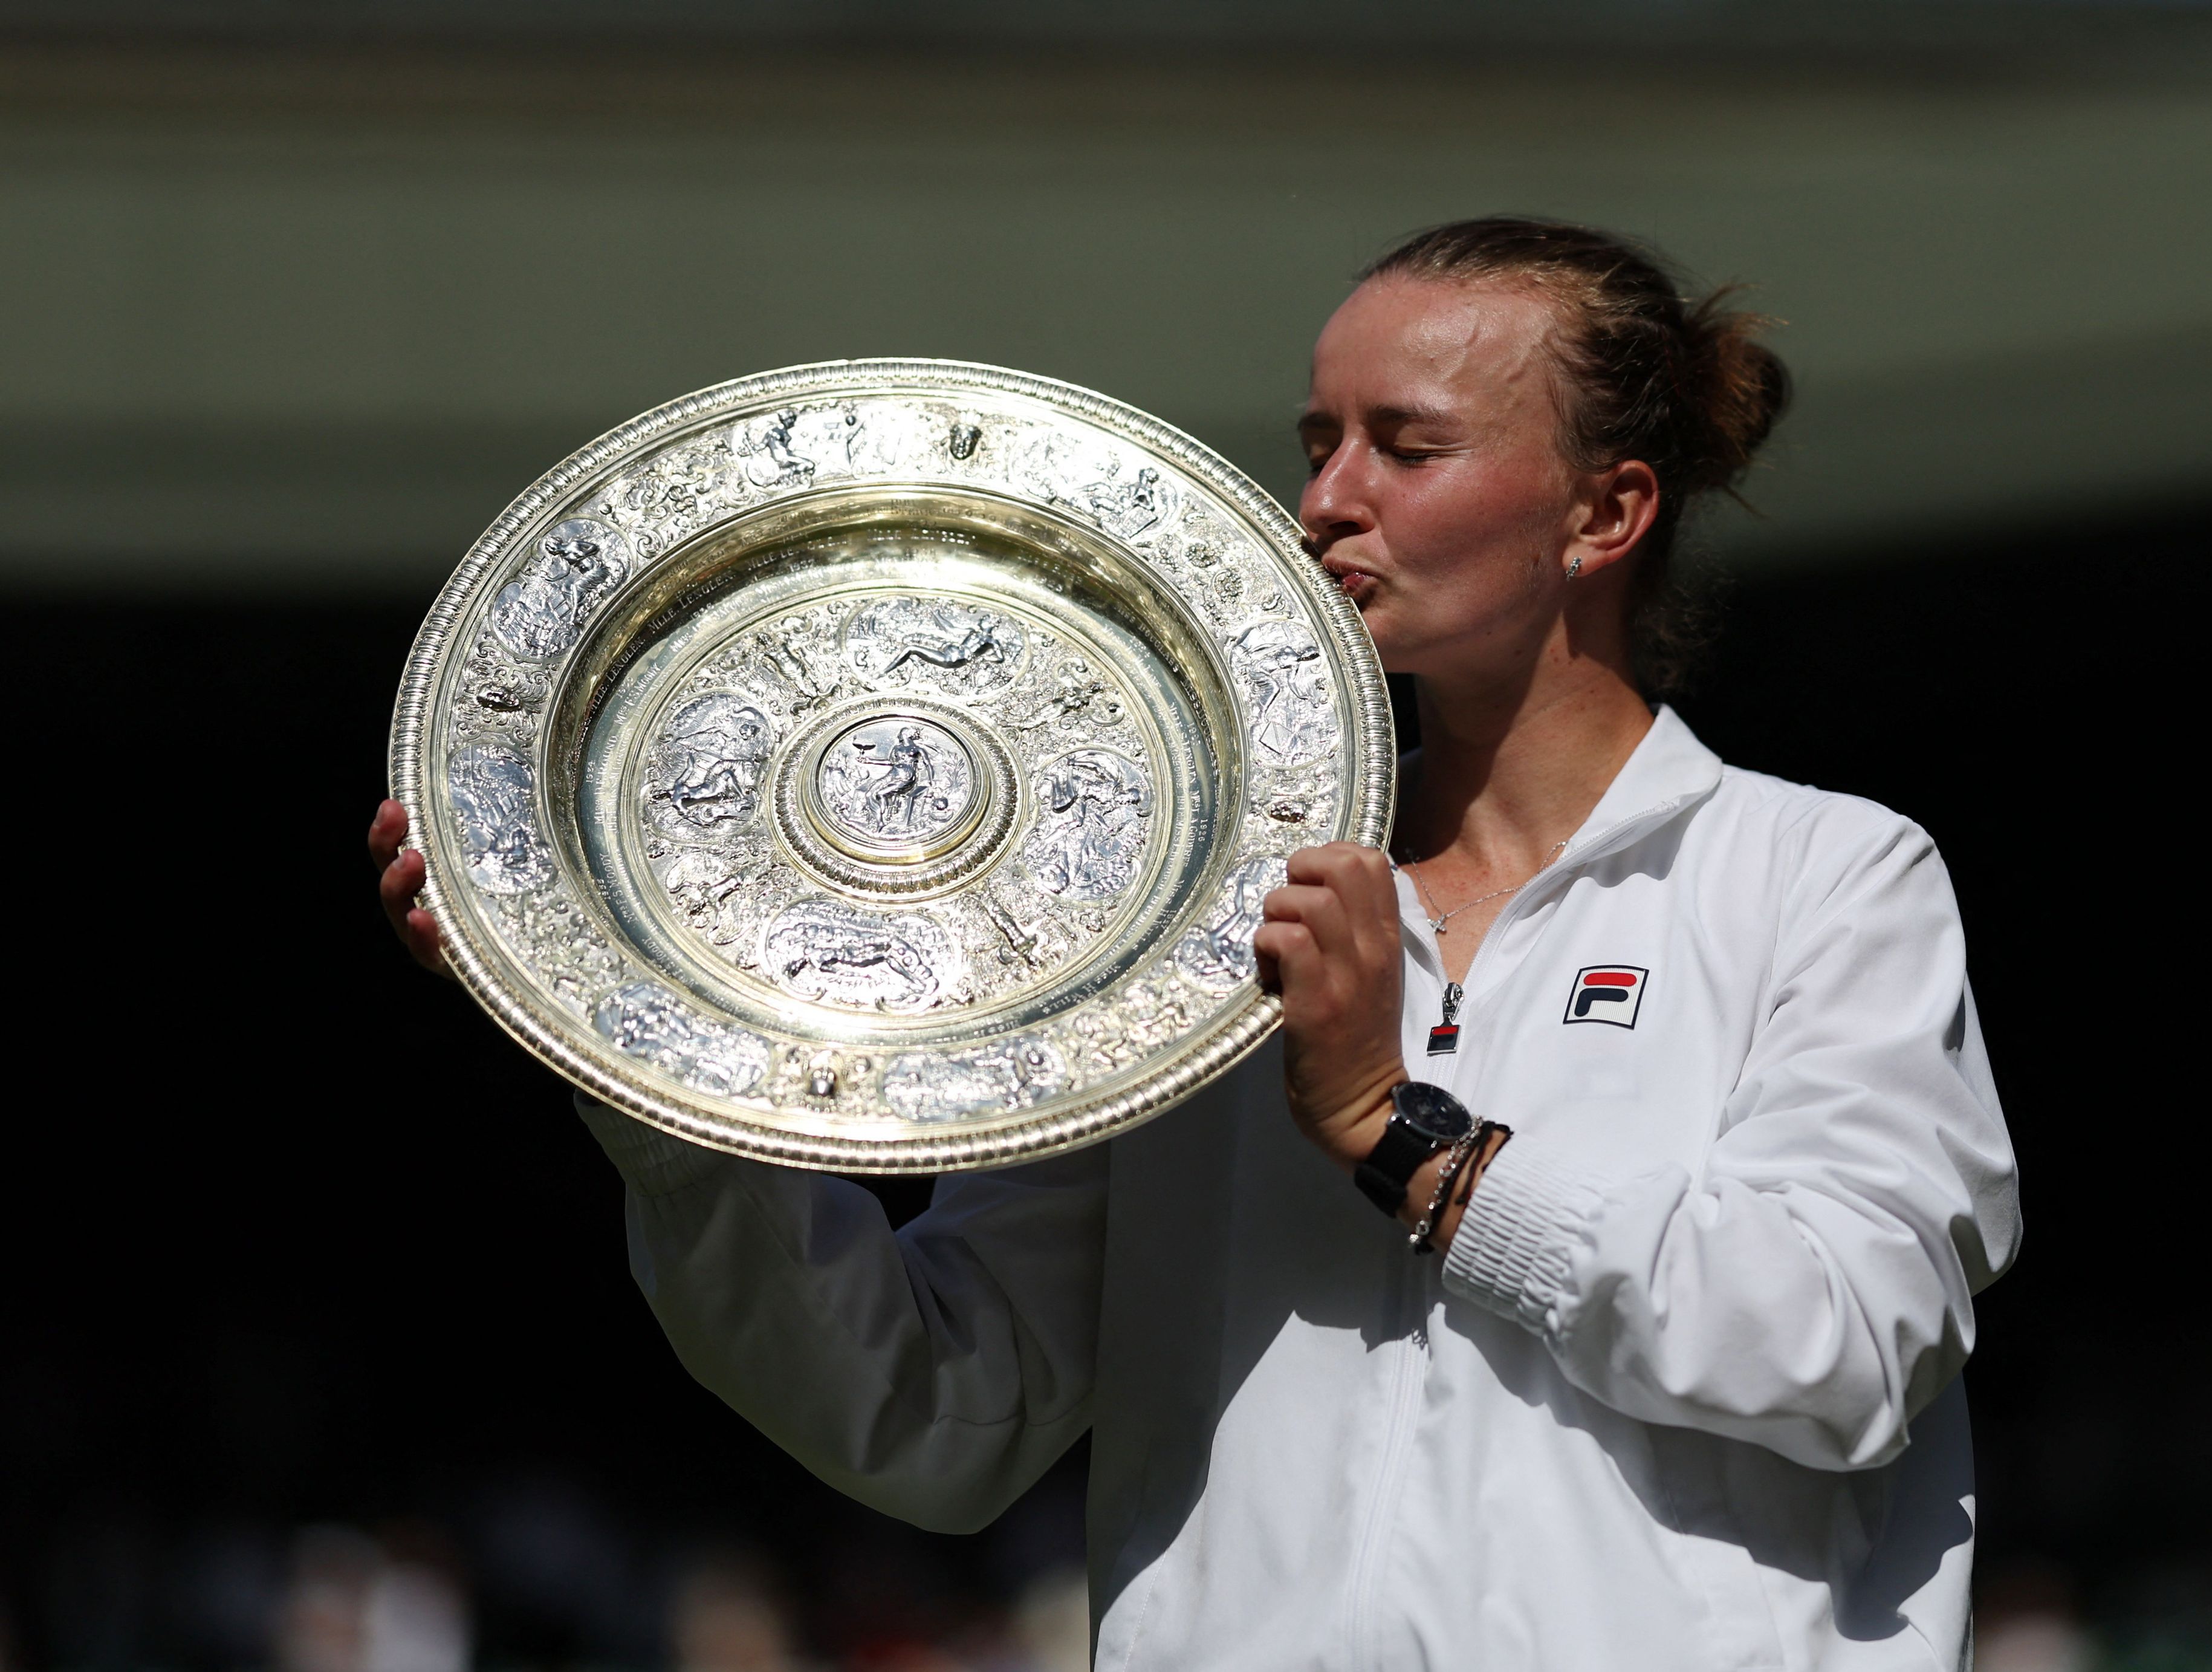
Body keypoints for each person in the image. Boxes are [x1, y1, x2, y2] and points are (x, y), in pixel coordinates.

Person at [371, 216, 2020, 1670]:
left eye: (1407, 446)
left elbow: (1843, 1345)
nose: (1325, 501)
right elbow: (938, 1417)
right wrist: (646, 1050)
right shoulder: (1193, 923)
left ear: (1607, 512)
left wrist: (1402, 1132)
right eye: (1318, 441)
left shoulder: (1822, 875)